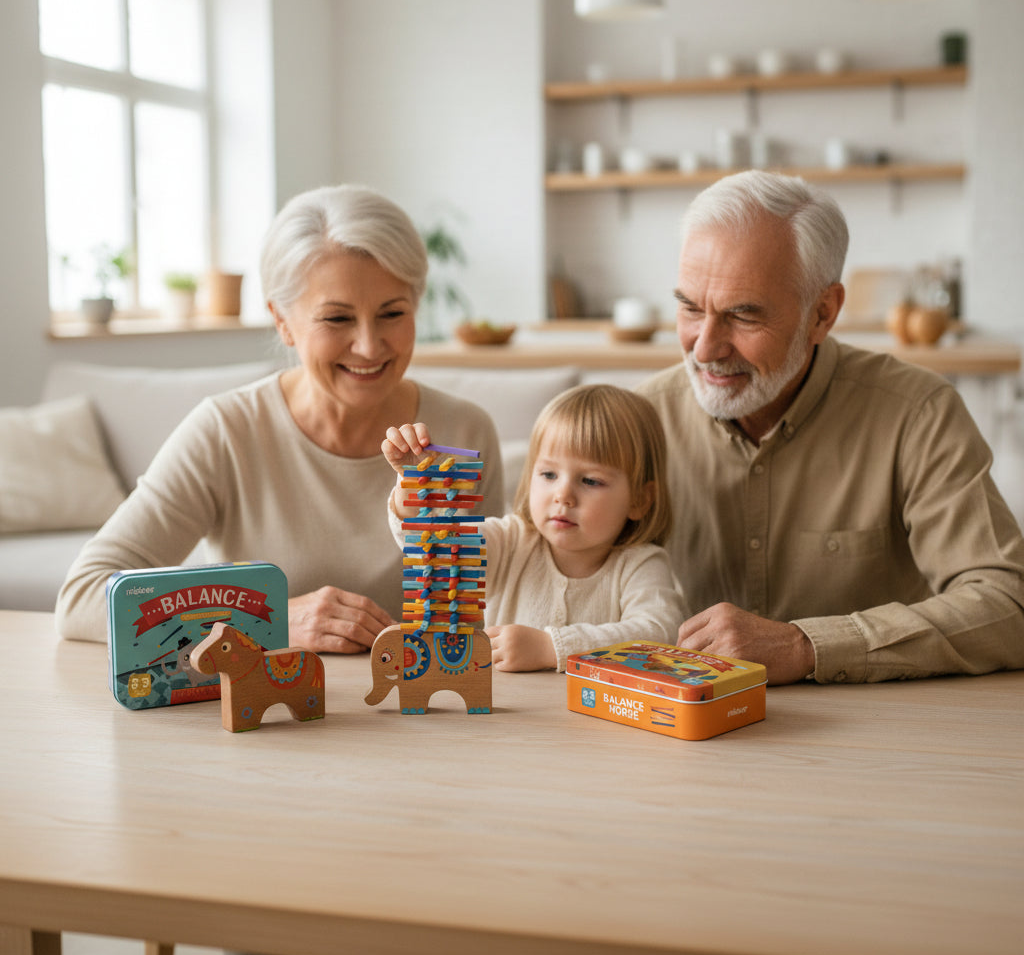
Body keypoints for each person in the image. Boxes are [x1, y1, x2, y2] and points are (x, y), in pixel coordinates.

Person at [55, 184, 504, 651]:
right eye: (336, 319)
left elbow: (500, 604)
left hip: (423, 716)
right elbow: (83, 596)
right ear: (282, 321)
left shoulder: (466, 430)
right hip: (267, 719)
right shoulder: (225, 431)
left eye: (392, 313)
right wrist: (264, 621)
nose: (369, 346)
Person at [637, 168, 1024, 685]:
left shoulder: (918, 414)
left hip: (873, 741)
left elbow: (1007, 607)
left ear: (823, 312)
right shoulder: (638, 420)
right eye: (689, 308)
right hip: (681, 732)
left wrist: (806, 646)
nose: (704, 348)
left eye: (743, 316)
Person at [382, 384, 685, 672]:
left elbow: (660, 635)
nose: (562, 495)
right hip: (512, 723)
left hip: (599, 724)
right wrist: (415, 493)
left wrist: (551, 648)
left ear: (640, 500)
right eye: (549, 474)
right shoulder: (511, 540)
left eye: (591, 480)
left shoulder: (641, 563)